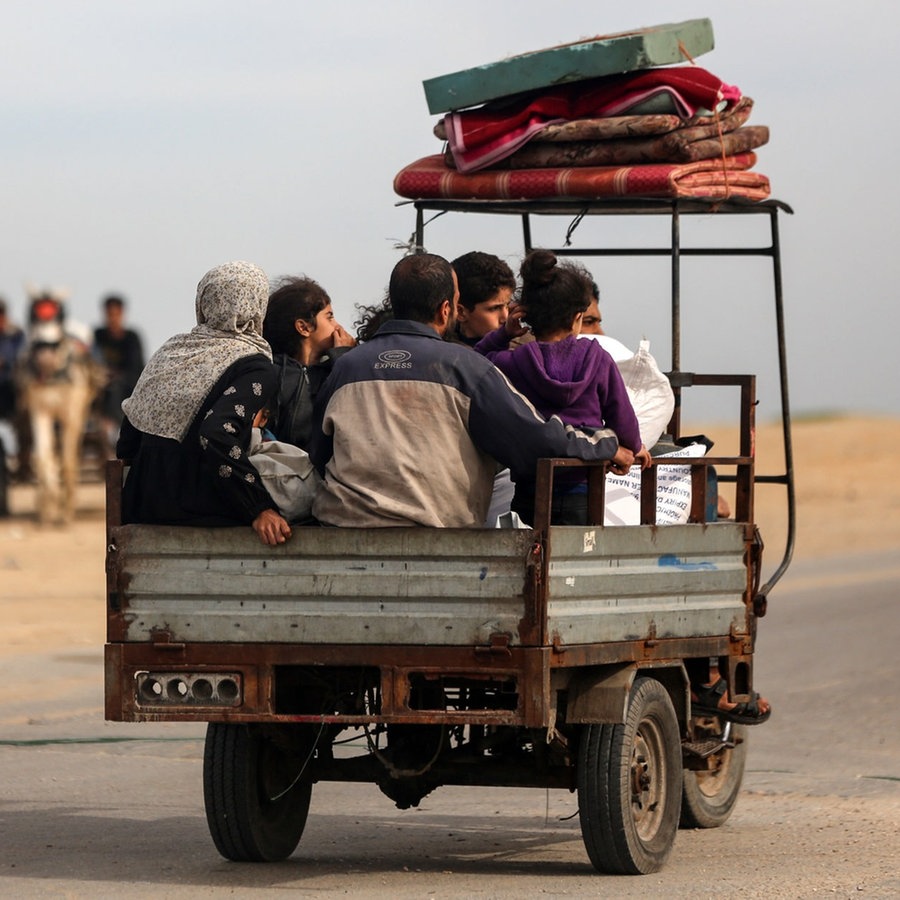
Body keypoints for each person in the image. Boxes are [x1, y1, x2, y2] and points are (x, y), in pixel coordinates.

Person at [310, 253, 634, 529]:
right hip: (440, 534)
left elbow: (319, 454)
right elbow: (535, 440)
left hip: (342, 529)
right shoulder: (467, 369)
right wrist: (606, 445)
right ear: (446, 310)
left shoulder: (346, 367)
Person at [116, 261, 291, 546]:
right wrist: (257, 507)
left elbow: (128, 438)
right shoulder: (255, 365)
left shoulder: (172, 351)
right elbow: (217, 432)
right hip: (203, 511)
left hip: (144, 507)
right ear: (258, 306)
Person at [474, 249, 650, 525]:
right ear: (576, 317)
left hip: (530, 489)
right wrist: (633, 446)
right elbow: (621, 413)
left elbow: (475, 363)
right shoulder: (597, 358)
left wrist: (504, 333)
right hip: (583, 487)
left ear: (528, 317)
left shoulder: (513, 362)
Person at [262, 276, 355, 449]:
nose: (337, 326)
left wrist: (344, 357)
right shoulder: (271, 373)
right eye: (329, 317)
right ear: (304, 328)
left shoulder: (334, 369)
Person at [92, 294, 145, 450]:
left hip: (126, 386)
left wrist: (115, 375)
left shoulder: (131, 337)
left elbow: (136, 366)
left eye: (116, 314)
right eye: (109, 314)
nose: (112, 318)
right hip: (100, 384)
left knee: (115, 388)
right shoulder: (98, 335)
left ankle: (111, 426)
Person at [450, 251, 517, 346]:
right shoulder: (438, 354)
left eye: (507, 305)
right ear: (460, 312)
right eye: (494, 308)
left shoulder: (529, 353)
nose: (505, 318)